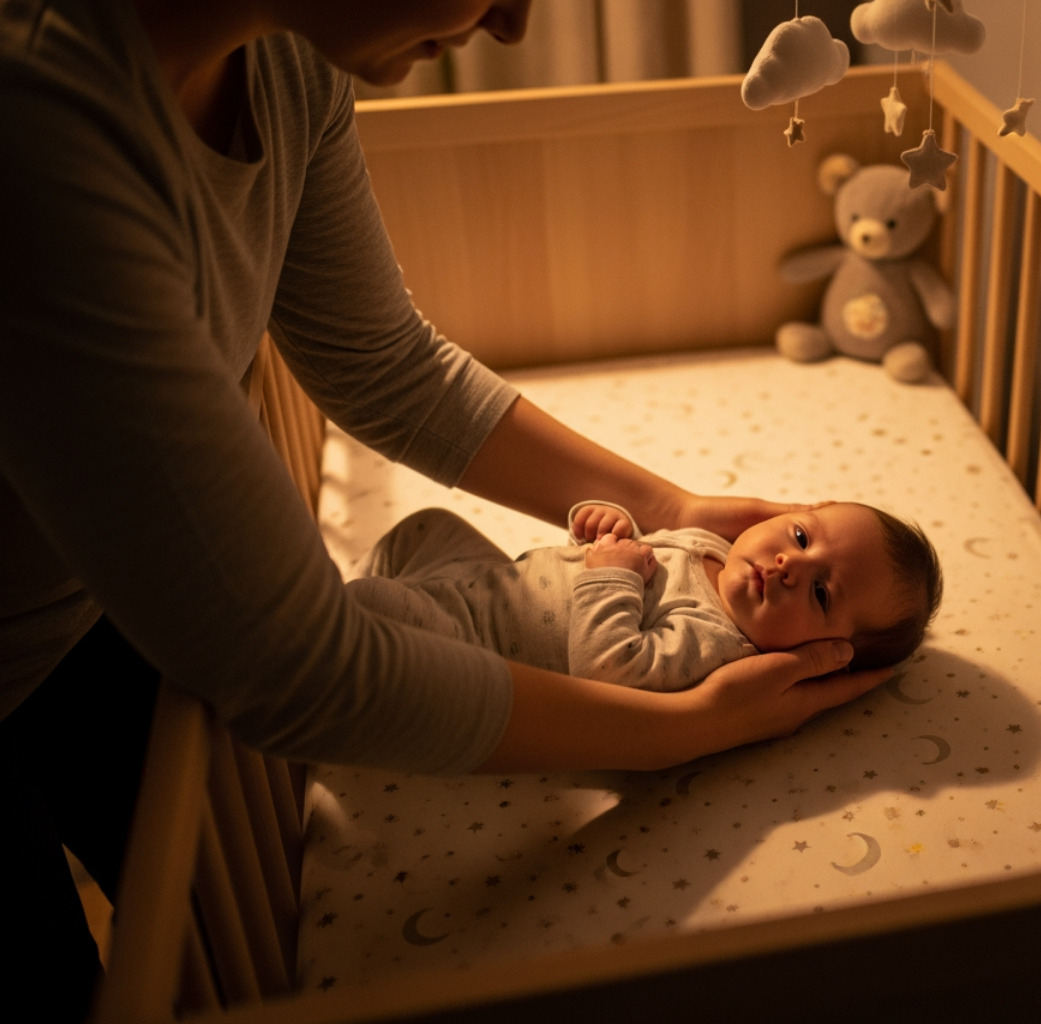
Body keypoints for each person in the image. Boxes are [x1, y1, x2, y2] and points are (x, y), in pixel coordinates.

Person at [0, 2, 889, 1016]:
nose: (512, 24)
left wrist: (664, 504)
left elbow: (385, 366)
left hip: (85, 592)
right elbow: (304, 667)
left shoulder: (287, 62)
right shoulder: (37, 126)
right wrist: (679, 729)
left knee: (212, 910)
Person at [349, 500, 944, 688]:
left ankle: (336, 649)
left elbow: (608, 668)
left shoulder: (718, 646)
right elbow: (635, 553)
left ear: (824, 655)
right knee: (428, 526)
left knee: (369, 606)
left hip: (475, 644)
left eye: (820, 593)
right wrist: (606, 528)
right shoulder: (711, 547)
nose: (790, 564)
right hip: (497, 580)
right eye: (801, 536)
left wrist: (612, 574)